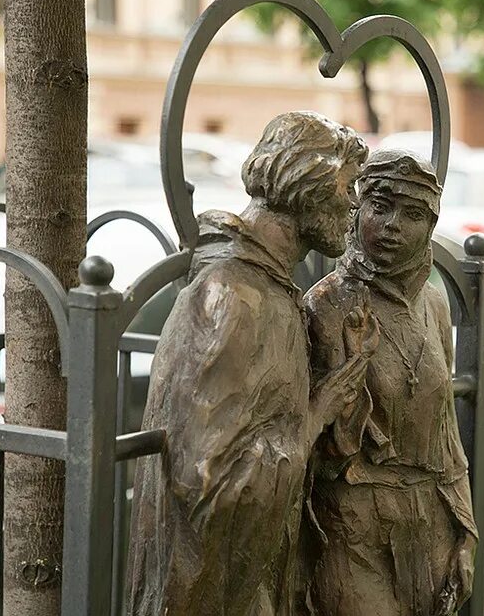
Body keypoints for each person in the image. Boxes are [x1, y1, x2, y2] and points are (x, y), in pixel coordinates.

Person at [125, 111, 375, 616]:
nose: (354, 206)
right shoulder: (234, 297)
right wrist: (315, 414)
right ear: (306, 182)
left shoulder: (273, 289)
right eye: (348, 189)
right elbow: (212, 477)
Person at [303, 149, 477, 616]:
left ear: (430, 227)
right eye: (380, 206)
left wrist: (466, 532)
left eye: (413, 214)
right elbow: (312, 440)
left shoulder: (435, 305)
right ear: (357, 210)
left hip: (430, 524)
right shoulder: (326, 306)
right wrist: (353, 368)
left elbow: (447, 437)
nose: (393, 226)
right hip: (355, 526)